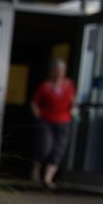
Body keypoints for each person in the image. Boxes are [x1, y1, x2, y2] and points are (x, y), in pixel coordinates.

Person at [30, 58, 77, 189]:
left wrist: (74, 108)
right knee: (45, 147)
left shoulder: (69, 85)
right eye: (57, 70)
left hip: (64, 120)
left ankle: (48, 178)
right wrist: (37, 115)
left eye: (61, 70)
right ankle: (36, 168)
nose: (59, 73)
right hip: (46, 120)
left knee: (59, 149)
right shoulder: (45, 86)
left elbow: (73, 100)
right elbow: (34, 102)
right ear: (52, 71)